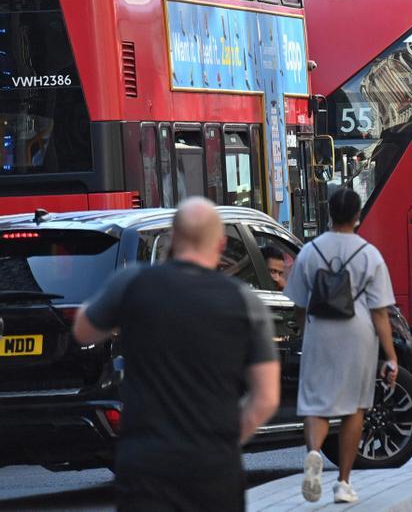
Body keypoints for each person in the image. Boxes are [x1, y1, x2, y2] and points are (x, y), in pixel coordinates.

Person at [72, 197, 280, 511]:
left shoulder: (132, 284)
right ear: (221, 244)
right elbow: (266, 399)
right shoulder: (244, 302)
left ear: (172, 238)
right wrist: (224, 439)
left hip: (146, 464)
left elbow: (83, 331)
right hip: (214, 466)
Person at [284, 187, 399, 505]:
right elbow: (380, 312)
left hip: (320, 331)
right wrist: (390, 355)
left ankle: (314, 454)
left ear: (329, 213)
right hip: (358, 333)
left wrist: (304, 330)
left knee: (315, 403)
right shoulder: (369, 254)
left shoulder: (309, 252)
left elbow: (297, 304)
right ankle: (343, 483)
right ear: (358, 216)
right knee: (354, 409)